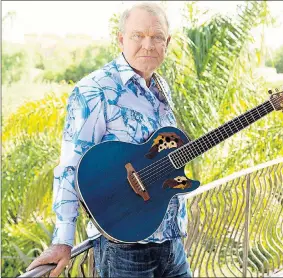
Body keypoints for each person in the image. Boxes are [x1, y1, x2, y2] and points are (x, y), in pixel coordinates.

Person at [27, 2, 192, 277]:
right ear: (121, 39)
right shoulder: (95, 90)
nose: (148, 45)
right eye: (138, 35)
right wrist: (63, 240)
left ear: (168, 42)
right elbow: (71, 166)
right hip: (125, 251)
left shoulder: (162, 90)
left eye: (157, 37)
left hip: (172, 245)